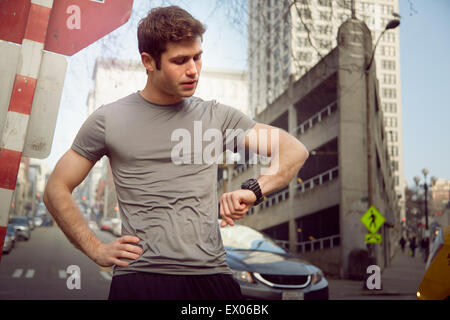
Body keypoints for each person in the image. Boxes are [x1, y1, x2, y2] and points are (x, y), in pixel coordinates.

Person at [43, 6, 309, 300]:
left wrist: (253, 190)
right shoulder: (109, 119)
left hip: (212, 277)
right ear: (148, 61)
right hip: (141, 278)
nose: (193, 69)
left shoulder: (217, 117)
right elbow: (56, 188)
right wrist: (95, 248)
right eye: (180, 61)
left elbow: (293, 150)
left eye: (197, 57)